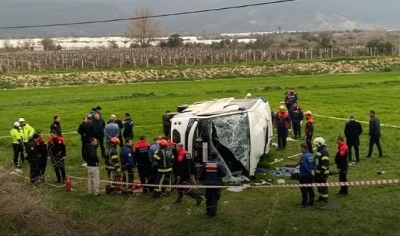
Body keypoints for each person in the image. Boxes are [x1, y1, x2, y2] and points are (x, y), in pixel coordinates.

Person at [203, 152, 226, 217]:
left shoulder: (205, 165)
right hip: (217, 184)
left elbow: (201, 175)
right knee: (214, 198)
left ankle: (208, 211)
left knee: (208, 198)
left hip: (207, 184)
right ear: (216, 157)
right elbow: (224, 174)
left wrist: (205, 179)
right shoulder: (219, 165)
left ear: (210, 157)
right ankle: (213, 213)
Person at [299, 143, 316, 207]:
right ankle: (312, 200)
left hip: (304, 175)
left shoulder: (303, 157)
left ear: (303, 148)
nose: (300, 149)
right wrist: (313, 171)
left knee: (304, 189)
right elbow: (315, 164)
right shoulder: (312, 155)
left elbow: (305, 166)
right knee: (310, 187)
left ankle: (304, 202)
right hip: (311, 175)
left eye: (301, 148)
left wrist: (309, 171)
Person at [313, 137, 330, 203]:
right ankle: (320, 196)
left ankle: (325, 198)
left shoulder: (324, 151)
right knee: (319, 185)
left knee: (323, 185)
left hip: (322, 172)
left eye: (316, 144)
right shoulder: (319, 150)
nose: (315, 146)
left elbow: (325, 163)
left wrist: (322, 172)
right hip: (318, 171)